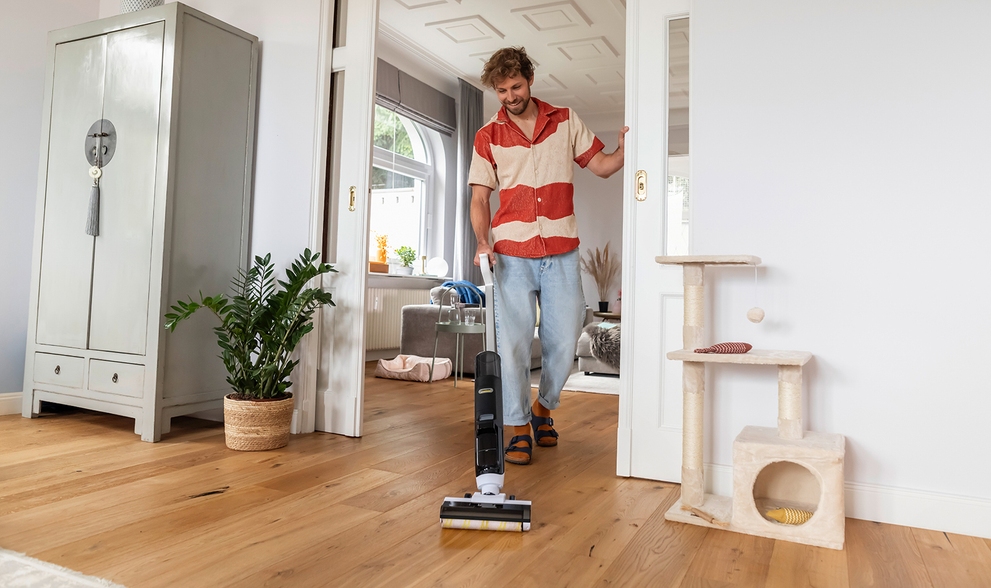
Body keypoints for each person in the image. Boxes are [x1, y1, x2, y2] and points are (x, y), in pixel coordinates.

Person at [468, 47, 628, 465]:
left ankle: (544, 406)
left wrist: (625, 149)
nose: (509, 96)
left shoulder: (565, 120)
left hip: (561, 251)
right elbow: (480, 198)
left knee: (564, 340)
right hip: (511, 254)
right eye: (501, 90)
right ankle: (518, 425)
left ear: (530, 80)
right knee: (513, 344)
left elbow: (603, 166)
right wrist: (483, 241)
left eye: (515, 86)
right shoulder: (488, 135)